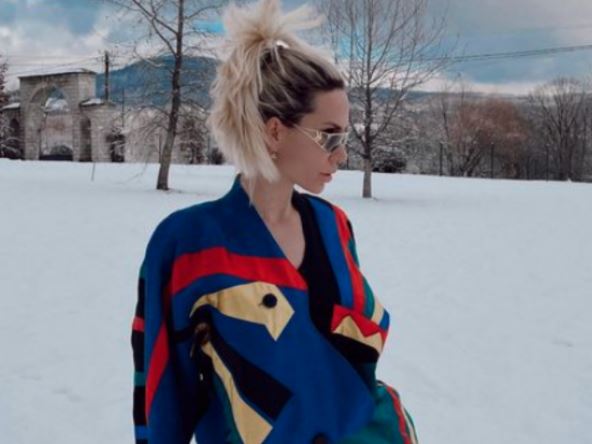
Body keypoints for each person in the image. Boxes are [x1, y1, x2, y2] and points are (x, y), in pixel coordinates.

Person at [131, 0, 418, 443]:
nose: (342, 154)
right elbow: (162, 390)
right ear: (275, 131)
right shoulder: (189, 244)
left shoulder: (333, 226)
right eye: (329, 136)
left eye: (346, 136)